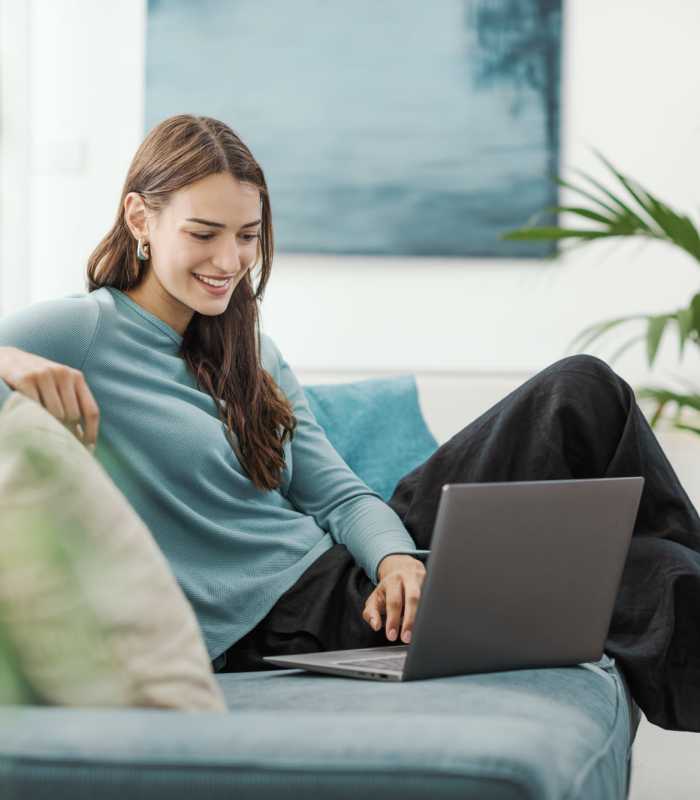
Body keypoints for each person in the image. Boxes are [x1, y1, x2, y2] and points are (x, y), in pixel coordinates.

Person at [0, 114, 698, 732]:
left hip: (355, 580)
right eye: (204, 234)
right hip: (283, 623)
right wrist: (11, 365)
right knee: (646, 572)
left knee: (583, 388)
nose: (230, 262)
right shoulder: (81, 330)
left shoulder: (254, 354)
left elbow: (337, 494)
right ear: (139, 218)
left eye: (248, 237)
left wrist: (394, 558)